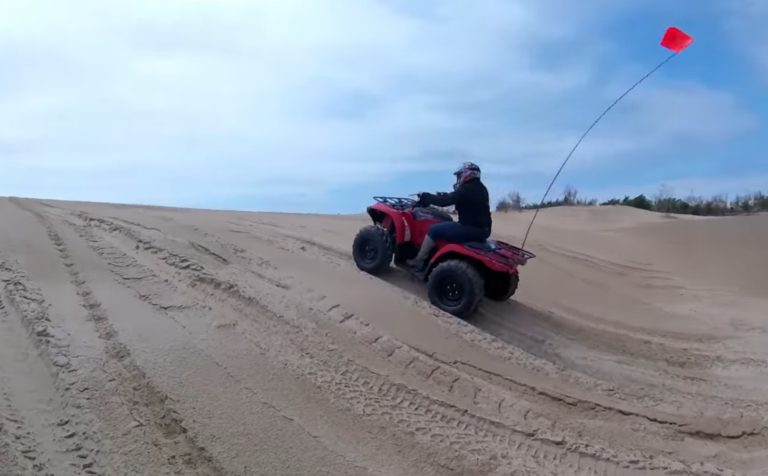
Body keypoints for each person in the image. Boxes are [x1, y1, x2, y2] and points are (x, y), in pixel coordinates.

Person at [406, 162, 492, 270]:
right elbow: (453, 196)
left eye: (459, 175)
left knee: (434, 229)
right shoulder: (481, 188)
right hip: (483, 230)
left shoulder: (466, 189)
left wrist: (427, 197)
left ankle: (419, 260)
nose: (458, 178)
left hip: (470, 228)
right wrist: (439, 195)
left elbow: (445, 201)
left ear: (468, 174)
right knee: (447, 224)